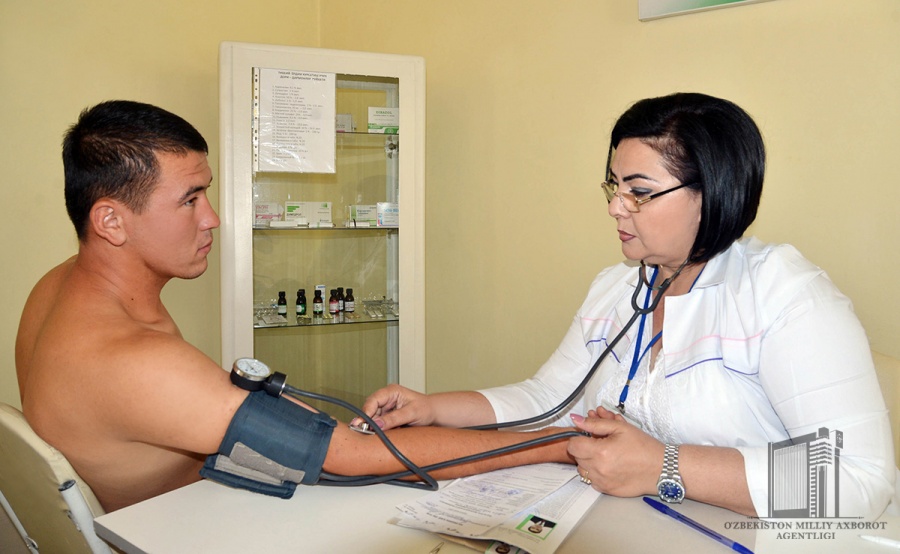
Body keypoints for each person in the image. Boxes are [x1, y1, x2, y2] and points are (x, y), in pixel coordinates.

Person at [15, 100, 575, 513]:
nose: (212, 218)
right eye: (190, 200)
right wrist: (557, 444)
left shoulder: (55, 288)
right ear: (110, 221)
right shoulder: (136, 361)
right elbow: (354, 456)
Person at [358, 92, 896, 518]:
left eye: (638, 191)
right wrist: (433, 408)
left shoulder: (786, 294)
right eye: (614, 186)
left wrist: (666, 466)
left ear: (712, 192)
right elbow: (548, 397)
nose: (616, 207)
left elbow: (859, 479)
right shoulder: (618, 287)